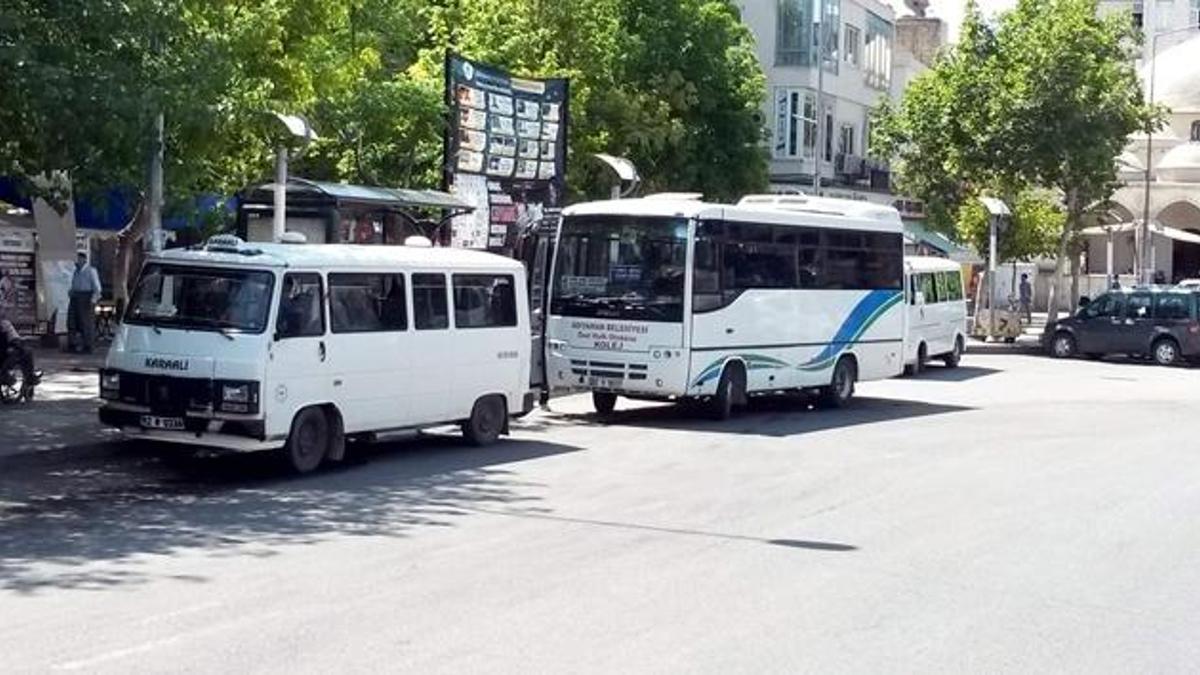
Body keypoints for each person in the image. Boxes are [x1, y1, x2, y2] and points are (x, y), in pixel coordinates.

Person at [67, 253, 102, 353]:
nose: (76, 262)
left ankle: (88, 346)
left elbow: (97, 288)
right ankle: (72, 344)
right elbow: (74, 284)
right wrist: (71, 292)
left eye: (77, 259)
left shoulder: (91, 271)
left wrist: (92, 301)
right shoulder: (76, 272)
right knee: (72, 322)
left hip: (86, 298)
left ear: (83, 260)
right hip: (75, 297)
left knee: (86, 323)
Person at [0, 305, 40, 386]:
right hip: (3, 358)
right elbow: (15, 340)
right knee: (27, 352)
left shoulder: (4, 324)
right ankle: (30, 378)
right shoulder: (4, 324)